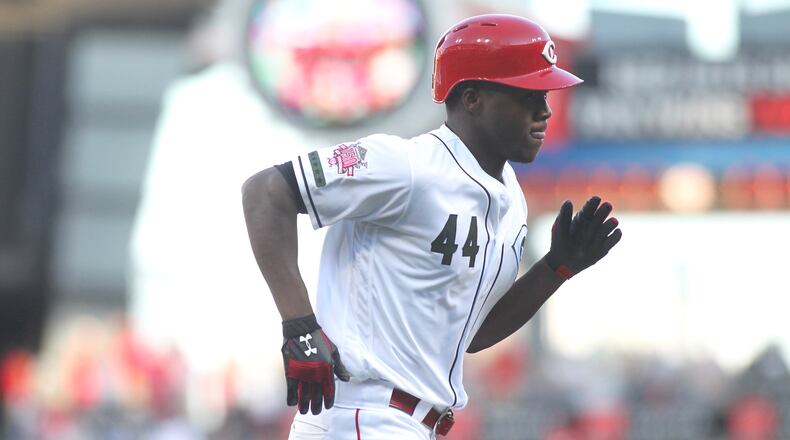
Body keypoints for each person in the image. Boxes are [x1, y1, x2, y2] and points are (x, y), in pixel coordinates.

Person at [242, 14, 622, 439]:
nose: (544, 110)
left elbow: (472, 336)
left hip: (416, 424)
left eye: (545, 94)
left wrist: (554, 270)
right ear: (472, 98)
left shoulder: (510, 200)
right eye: (526, 94)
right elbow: (264, 192)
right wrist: (299, 326)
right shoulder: (404, 165)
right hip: (360, 415)